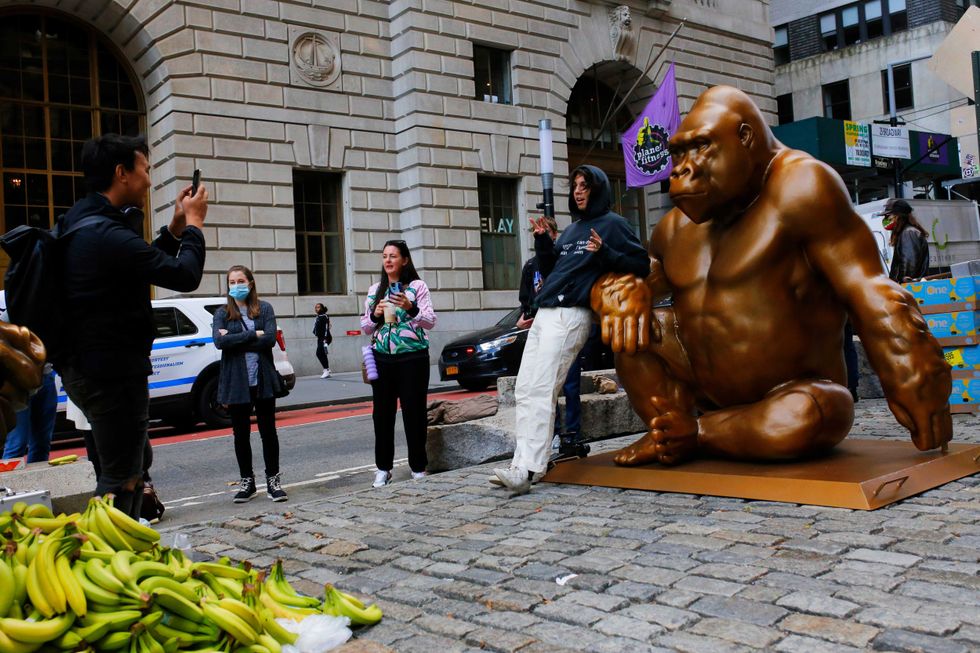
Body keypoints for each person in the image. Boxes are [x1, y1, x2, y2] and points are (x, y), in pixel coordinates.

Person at [592, 86, 950, 467]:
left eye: (700, 147)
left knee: (812, 414)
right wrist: (616, 293)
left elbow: (867, 287)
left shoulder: (801, 186)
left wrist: (913, 370)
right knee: (633, 324)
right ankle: (668, 429)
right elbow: (630, 279)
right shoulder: (676, 226)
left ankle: (695, 434)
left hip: (797, 394)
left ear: (744, 138)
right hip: (703, 387)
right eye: (678, 153)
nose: (681, 168)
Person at [59, 133, 207, 519]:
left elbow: (140, 269)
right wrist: (194, 225)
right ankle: (106, 555)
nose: (149, 179)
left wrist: (174, 228)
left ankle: (116, 549)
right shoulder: (104, 232)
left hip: (98, 366)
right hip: (110, 371)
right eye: (145, 169)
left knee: (129, 467)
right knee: (122, 476)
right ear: (121, 173)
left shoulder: (86, 222)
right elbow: (184, 275)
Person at [493, 165, 649, 495]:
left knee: (543, 387)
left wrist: (606, 252)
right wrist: (542, 244)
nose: (578, 191)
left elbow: (641, 264)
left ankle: (528, 469)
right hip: (546, 311)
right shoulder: (572, 230)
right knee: (525, 388)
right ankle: (520, 462)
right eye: (576, 185)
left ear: (599, 189)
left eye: (585, 186)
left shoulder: (613, 225)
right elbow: (553, 268)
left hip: (571, 315)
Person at [361, 240, 437, 488]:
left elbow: (429, 322)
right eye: (384, 256)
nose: (388, 260)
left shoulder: (417, 287)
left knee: (414, 414)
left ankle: (418, 467)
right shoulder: (375, 290)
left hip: (413, 358)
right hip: (382, 359)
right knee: (381, 416)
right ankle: (383, 469)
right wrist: (376, 314)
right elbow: (365, 327)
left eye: (393, 256)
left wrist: (410, 307)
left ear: (404, 260)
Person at [213, 265, 288, 503]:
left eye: (240, 281)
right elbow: (218, 342)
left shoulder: (264, 308)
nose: (236, 286)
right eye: (232, 282)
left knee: (268, 432)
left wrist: (234, 338)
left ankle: (273, 480)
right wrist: (251, 335)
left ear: (251, 283)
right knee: (240, 435)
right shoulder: (222, 313)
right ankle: (247, 482)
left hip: (262, 379)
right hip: (237, 382)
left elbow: (268, 340)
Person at [516, 217, 589, 458]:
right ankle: (554, 434)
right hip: (540, 324)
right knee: (540, 386)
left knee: (570, 385)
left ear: (555, 235)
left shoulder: (563, 258)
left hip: (562, 322)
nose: (542, 235)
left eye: (546, 231)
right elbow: (526, 297)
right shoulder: (530, 266)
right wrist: (524, 316)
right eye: (538, 232)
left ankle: (573, 433)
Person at [882, 198, 930, 283]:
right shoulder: (907, 232)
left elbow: (908, 270)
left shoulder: (908, 233)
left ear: (898, 216)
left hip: (910, 289)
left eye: (888, 215)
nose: (885, 219)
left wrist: (900, 282)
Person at [313, 303, 332, 378]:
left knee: (319, 353)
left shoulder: (324, 316)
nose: (316, 309)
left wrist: (325, 339)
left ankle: (326, 369)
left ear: (322, 308)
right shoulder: (318, 316)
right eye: (316, 307)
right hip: (320, 338)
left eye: (318, 307)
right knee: (322, 353)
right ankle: (327, 369)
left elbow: (326, 328)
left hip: (325, 338)